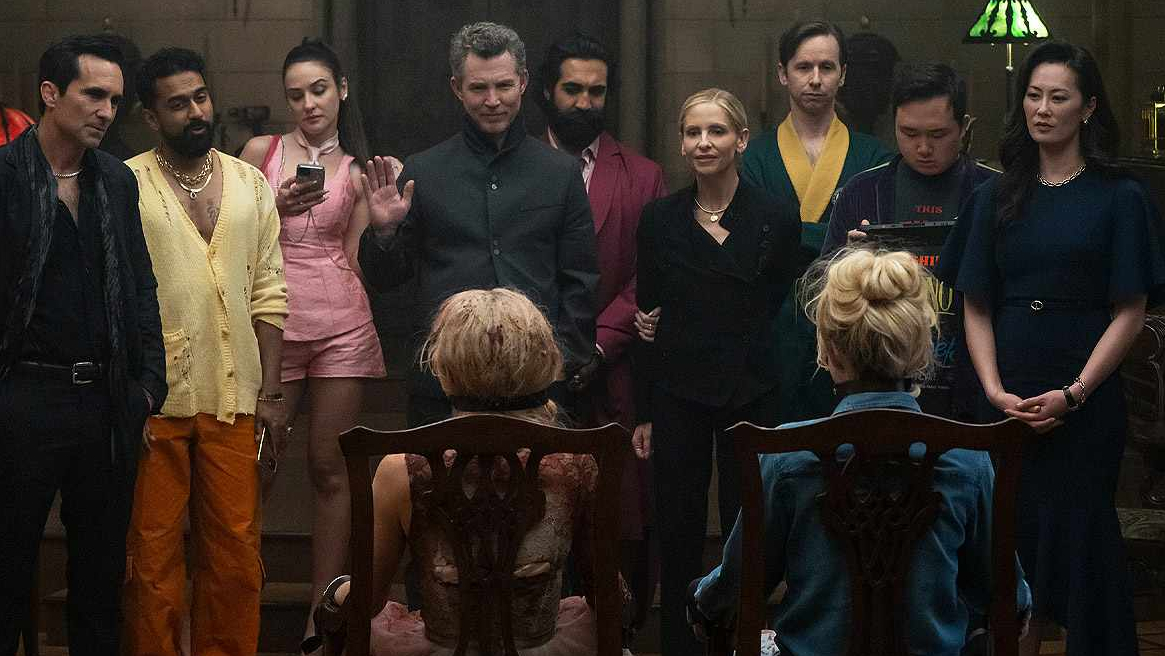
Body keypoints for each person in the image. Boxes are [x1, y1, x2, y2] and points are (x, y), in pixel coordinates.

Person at [690, 248, 1032, 656]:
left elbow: (731, 594)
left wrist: (700, 599)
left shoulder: (786, 456)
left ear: (829, 352)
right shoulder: (968, 459)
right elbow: (1009, 601)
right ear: (920, 348)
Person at [938, 41, 1165, 656]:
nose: (1042, 108)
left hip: (1085, 398)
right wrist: (994, 392)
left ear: (1087, 108)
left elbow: (1130, 310)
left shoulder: (1120, 196)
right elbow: (974, 303)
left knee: (1082, 539)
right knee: (1007, 539)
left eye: (1057, 97)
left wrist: (1076, 393)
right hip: (1003, 395)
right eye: (1033, 96)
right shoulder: (995, 195)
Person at [321, 288, 611, 656]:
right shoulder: (574, 463)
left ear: (444, 368)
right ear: (544, 360)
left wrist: (333, 595)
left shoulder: (401, 469)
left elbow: (366, 601)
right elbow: (607, 595)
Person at [0, 34, 166, 656]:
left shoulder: (115, 180)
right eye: (93, 95)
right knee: (7, 572)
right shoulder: (6, 176)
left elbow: (140, 283)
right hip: (24, 393)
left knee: (100, 584)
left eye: (115, 100)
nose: (106, 111)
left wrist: (148, 387)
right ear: (50, 93)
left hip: (105, 398)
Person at [122, 48, 288, 656]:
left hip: (236, 395)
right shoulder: (125, 183)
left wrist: (272, 394)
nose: (195, 112)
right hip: (155, 401)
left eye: (200, 97)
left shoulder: (249, 183)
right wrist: (128, 393)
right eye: (177, 104)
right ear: (150, 116)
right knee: (152, 558)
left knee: (236, 554)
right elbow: (116, 299)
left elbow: (270, 291)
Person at [358, 21, 600, 428]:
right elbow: (386, 281)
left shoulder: (560, 173)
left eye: (504, 86)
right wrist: (384, 233)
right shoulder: (424, 171)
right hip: (443, 383)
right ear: (456, 88)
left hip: (537, 383)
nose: (492, 100)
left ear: (523, 82)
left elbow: (581, 278)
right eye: (478, 88)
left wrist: (563, 362)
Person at [633, 88, 800, 656]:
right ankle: (679, 646)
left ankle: (740, 640)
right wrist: (643, 412)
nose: (704, 143)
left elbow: (775, 304)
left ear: (741, 140)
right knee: (676, 524)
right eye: (693, 133)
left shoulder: (775, 215)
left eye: (717, 131)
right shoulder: (659, 219)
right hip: (676, 389)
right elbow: (648, 316)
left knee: (745, 524)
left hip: (751, 389)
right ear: (681, 144)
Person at [239, 38, 386, 643]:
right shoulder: (260, 152)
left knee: (330, 469)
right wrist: (271, 204)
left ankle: (320, 620)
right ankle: (233, 603)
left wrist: (386, 230)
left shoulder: (357, 169)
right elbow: (226, 236)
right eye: (296, 94)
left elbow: (355, 258)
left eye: (319, 90)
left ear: (342, 90)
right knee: (256, 465)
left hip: (341, 322)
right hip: (271, 320)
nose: (309, 104)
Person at [535, 30, 667, 633]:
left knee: (621, 513)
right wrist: (547, 349)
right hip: (532, 371)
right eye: (573, 90)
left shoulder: (642, 175)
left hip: (614, 369)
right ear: (546, 91)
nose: (585, 103)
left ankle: (618, 633)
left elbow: (651, 273)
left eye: (597, 92)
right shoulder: (515, 168)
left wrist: (598, 343)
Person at [822, 62, 1000, 420]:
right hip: (879, 386)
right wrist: (850, 265)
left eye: (938, 134)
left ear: (965, 127)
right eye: (909, 133)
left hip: (975, 382)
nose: (923, 148)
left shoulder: (995, 193)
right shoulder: (862, 192)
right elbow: (825, 298)